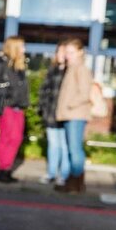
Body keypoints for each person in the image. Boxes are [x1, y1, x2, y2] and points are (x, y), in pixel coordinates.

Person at [0, 36, 29, 183]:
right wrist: (7, 93)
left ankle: (6, 167)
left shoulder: (19, 67)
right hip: (7, 106)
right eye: (22, 46)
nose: (24, 49)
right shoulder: (2, 65)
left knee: (16, 138)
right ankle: (3, 169)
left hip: (19, 107)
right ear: (15, 47)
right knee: (7, 138)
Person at [55, 38, 92, 193]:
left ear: (80, 52)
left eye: (71, 52)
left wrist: (69, 104)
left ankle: (76, 182)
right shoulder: (71, 68)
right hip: (70, 114)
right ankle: (73, 182)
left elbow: (84, 93)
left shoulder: (81, 68)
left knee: (75, 149)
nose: (67, 55)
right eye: (66, 52)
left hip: (75, 114)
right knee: (71, 150)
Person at [37, 41, 69, 187]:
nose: (62, 55)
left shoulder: (70, 71)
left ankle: (63, 175)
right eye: (60, 52)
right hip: (51, 113)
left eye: (65, 52)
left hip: (66, 115)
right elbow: (44, 90)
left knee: (64, 145)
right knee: (53, 144)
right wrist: (43, 107)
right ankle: (51, 173)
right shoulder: (53, 70)